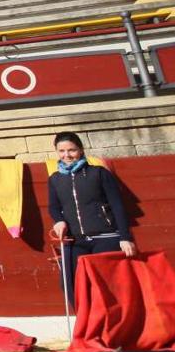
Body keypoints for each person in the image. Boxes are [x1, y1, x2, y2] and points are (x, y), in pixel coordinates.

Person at [48, 131, 138, 306]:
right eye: (61, 151)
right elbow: (54, 207)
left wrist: (125, 237)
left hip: (106, 237)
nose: (66, 155)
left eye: (71, 150)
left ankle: (112, 324)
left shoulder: (99, 173)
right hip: (75, 240)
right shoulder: (55, 179)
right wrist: (59, 220)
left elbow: (117, 205)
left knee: (107, 284)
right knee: (71, 282)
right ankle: (85, 325)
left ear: (80, 150)